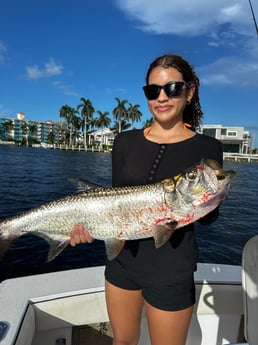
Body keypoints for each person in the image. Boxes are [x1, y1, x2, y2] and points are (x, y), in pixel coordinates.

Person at [70, 53, 223, 345]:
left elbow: (209, 219)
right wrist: (88, 226)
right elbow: (113, 203)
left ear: (189, 92)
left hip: (172, 270)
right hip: (122, 264)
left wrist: (215, 196)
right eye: (153, 90)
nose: (162, 97)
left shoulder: (208, 147)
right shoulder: (124, 141)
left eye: (172, 88)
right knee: (122, 341)